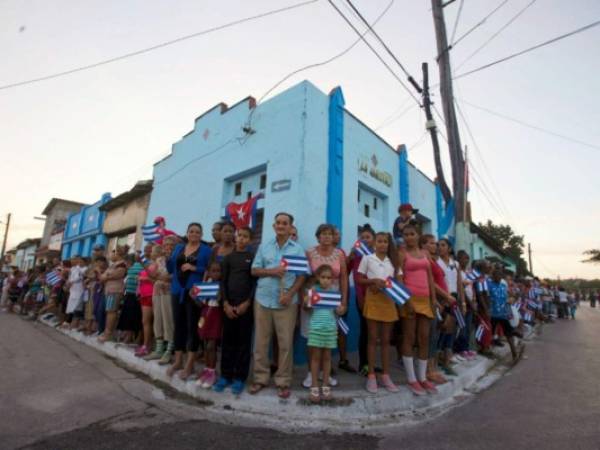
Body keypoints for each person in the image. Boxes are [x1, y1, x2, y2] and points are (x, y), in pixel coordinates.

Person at [249, 212, 306, 399]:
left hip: (286, 303)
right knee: (261, 342)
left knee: (285, 344)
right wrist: (273, 271)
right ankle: (260, 378)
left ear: (290, 228)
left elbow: (302, 276)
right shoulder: (264, 247)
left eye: (285, 223)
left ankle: (283, 381)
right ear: (274, 226)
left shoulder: (297, 250)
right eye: (278, 223)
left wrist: (290, 295)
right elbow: (255, 270)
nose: (281, 226)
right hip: (263, 299)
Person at [304, 223, 349, 388]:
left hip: (333, 299)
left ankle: (325, 374)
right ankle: (311, 373)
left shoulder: (339, 254)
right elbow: (304, 275)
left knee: (328, 335)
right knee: (312, 336)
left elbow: (344, 277)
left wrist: (343, 301)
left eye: (330, 233)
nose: (327, 236)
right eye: (323, 233)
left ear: (334, 237)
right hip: (313, 297)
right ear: (318, 236)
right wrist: (306, 297)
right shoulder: (309, 252)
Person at [357, 232, 401, 394]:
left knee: (385, 340)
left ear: (389, 244)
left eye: (385, 242)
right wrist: (373, 281)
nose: (382, 244)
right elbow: (359, 279)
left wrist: (391, 285)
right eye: (380, 241)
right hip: (373, 299)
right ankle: (371, 376)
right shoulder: (367, 258)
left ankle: (386, 375)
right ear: (374, 243)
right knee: (372, 339)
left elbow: (398, 280)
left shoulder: (394, 262)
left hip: (388, 301)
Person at [167, 223, 212, 380]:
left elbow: (210, 269)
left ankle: (189, 365)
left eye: (197, 232)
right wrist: (168, 256)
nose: (194, 234)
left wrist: (195, 269)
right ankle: (178, 361)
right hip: (177, 290)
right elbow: (171, 268)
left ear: (201, 234)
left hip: (194, 292)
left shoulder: (206, 250)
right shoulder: (179, 248)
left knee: (193, 327)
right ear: (187, 233)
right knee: (178, 325)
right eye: (191, 231)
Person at [214, 226, 256, 395]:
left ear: (250, 240)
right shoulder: (228, 258)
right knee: (228, 342)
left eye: (245, 236)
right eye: (239, 235)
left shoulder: (252, 258)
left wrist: (247, 303)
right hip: (228, 307)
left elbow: (254, 283)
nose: (241, 239)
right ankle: (225, 375)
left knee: (243, 343)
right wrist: (225, 304)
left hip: (245, 307)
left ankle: (239, 378)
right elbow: (223, 283)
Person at [398, 223, 437, 396]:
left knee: (424, 338)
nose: (408, 237)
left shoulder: (426, 253)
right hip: (410, 299)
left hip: (426, 300)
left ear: (418, 235)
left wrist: (434, 299)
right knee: (409, 337)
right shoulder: (401, 253)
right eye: (405, 234)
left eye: (412, 234)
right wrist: (406, 301)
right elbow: (398, 279)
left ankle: (422, 377)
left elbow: (430, 278)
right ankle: (412, 378)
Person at [305, 264, 345, 403]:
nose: (326, 280)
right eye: (323, 277)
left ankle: (325, 384)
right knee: (315, 358)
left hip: (330, 328)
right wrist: (307, 302)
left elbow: (338, 311)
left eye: (329, 278)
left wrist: (340, 309)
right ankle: (314, 385)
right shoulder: (313, 291)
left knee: (327, 358)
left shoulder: (334, 293)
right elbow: (307, 308)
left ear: (332, 279)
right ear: (317, 277)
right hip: (316, 328)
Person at [419, 234, 452, 383]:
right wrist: (445, 296)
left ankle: (433, 369)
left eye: (436, 243)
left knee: (435, 336)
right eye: (432, 243)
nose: (436, 246)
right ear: (424, 245)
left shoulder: (433, 260)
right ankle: (428, 371)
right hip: (434, 300)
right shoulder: (425, 258)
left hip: (441, 301)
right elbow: (431, 282)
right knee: (430, 336)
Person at [347, 224, 376, 376]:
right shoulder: (356, 256)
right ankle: (363, 364)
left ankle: (371, 363)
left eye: (368, 237)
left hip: (378, 299)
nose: (365, 240)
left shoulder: (378, 254)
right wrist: (349, 257)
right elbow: (346, 273)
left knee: (374, 333)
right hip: (362, 298)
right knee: (365, 331)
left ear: (374, 239)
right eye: (362, 237)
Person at [144, 238, 177, 364]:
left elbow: (177, 275)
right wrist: (145, 266)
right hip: (157, 290)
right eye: (166, 244)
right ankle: (159, 349)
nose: (168, 247)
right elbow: (153, 275)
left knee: (168, 319)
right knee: (158, 319)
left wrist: (167, 278)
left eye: (171, 244)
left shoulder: (177, 258)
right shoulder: (159, 259)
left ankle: (169, 351)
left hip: (169, 291)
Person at [437, 238, 467, 366]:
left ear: (449, 248)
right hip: (443, 297)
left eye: (443, 245)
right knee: (443, 327)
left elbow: (459, 283)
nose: (440, 247)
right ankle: (438, 355)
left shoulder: (455, 264)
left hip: (454, 298)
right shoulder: (436, 262)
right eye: (438, 245)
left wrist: (463, 302)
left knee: (453, 328)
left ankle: (447, 357)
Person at [196, 261, 223, 389]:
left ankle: (212, 371)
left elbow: (222, 302)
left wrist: (220, 297)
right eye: (213, 271)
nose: (216, 273)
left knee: (212, 344)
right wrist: (194, 296)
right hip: (205, 313)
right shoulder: (206, 284)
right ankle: (206, 369)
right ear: (209, 272)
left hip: (216, 315)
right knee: (206, 344)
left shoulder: (222, 285)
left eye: (218, 271)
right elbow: (201, 303)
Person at [98, 245, 128, 343]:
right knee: (109, 311)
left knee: (111, 311)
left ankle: (108, 333)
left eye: (112, 253)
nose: (110, 255)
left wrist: (106, 275)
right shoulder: (113, 265)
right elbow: (102, 277)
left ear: (117, 254)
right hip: (109, 290)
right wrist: (106, 275)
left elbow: (116, 275)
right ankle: (107, 332)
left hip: (115, 290)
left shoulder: (121, 264)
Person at [488, 266, 518, 361]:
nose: (498, 277)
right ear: (492, 276)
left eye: (500, 275)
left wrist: (512, 299)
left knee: (509, 333)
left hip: (504, 313)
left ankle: (514, 353)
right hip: (492, 313)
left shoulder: (504, 286)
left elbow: (511, 295)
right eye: (496, 275)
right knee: (491, 333)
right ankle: (489, 351)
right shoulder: (489, 285)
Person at [455, 250, 478, 361]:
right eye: (464, 258)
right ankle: (461, 349)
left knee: (468, 327)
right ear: (458, 259)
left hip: (470, 303)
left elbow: (471, 287)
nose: (466, 260)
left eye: (467, 258)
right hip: (463, 302)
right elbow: (462, 289)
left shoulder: (468, 273)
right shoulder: (458, 272)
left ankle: (467, 347)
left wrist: (473, 299)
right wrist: (469, 302)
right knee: (462, 327)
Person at [118, 254, 143, 344]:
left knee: (131, 317)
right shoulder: (133, 268)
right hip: (131, 294)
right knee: (132, 317)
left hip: (134, 295)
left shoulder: (136, 268)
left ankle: (130, 337)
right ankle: (131, 337)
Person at [135, 253, 155, 357]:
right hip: (143, 295)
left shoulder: (156, 265)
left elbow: (155, 280)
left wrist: (145, 279)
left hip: (151, 295)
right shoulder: (148, 264)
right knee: (145, 321)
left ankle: (147, 346)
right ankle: (146, 344)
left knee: (148, 321)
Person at [65, 256, 86, 330]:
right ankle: (70, 322)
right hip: (72, 290)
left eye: (74, 259)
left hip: (79, 290)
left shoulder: (84, 269)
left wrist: (70, 282)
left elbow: (79, 278)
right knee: (71, 306)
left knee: (77, 307)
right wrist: (68, 284)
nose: (72, 261)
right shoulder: (73, 268)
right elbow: (70, 278)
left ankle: (75, 324)